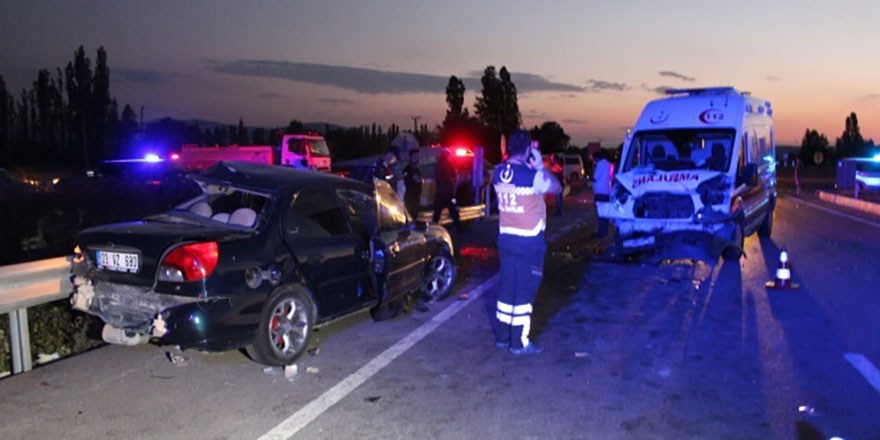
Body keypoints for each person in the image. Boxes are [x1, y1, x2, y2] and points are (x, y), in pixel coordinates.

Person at [492, 130, 562, 355]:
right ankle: (519, 343)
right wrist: (541, 166)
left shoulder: (497, 172)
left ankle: (502, 337)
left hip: (506, 239)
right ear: (528, 150)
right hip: (529, 242)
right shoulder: (533, 176)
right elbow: (557, 187)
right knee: (524, 291)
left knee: (507, 288)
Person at [432, 149, 464, 232]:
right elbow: (455, 176)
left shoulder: (437, 165)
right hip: (449, 193)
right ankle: (459, 228)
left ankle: (433, 229)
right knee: (454, 210)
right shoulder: (449, 164)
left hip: (439, 192)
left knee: (437, 212)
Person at [593, 150, 613, 237]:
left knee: (601, 213)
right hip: (607, 191)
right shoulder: (609, 164)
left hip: (600, 191)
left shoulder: (599, 165)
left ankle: (601, 232)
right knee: (606, 213)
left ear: (597, 158)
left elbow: (595, 177)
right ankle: (605, 231)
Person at [403, 149, 423, 218]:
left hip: (416, 197)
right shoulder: (408, 169)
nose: (417, 159)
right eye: (415, 157)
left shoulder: (416, 170)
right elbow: (413, 182)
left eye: (417, 157)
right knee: (410, 216)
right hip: (410, 198)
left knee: (414, 216)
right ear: (410, 158)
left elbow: (420, 180)